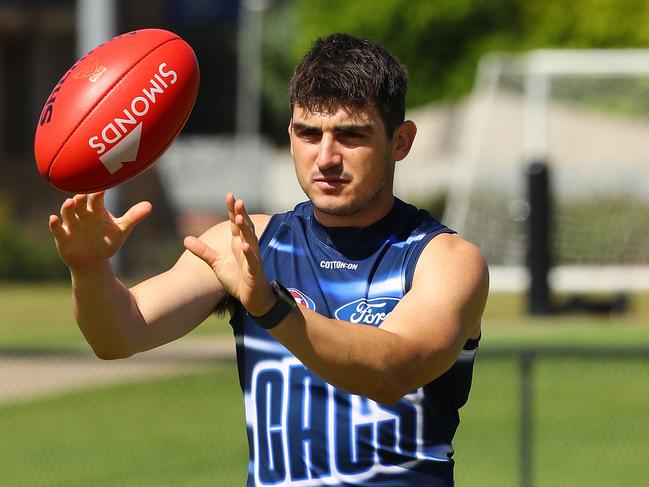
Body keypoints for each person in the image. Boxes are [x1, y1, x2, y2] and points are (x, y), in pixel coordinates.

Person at [49, 33, 488, 487]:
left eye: (352, 135)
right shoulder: (249, 243)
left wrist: (270, 307)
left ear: (401, 141)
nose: (326, 157)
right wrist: (88, 269)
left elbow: (394, 372)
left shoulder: (444, 259)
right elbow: (119, 334)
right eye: (308, 133)